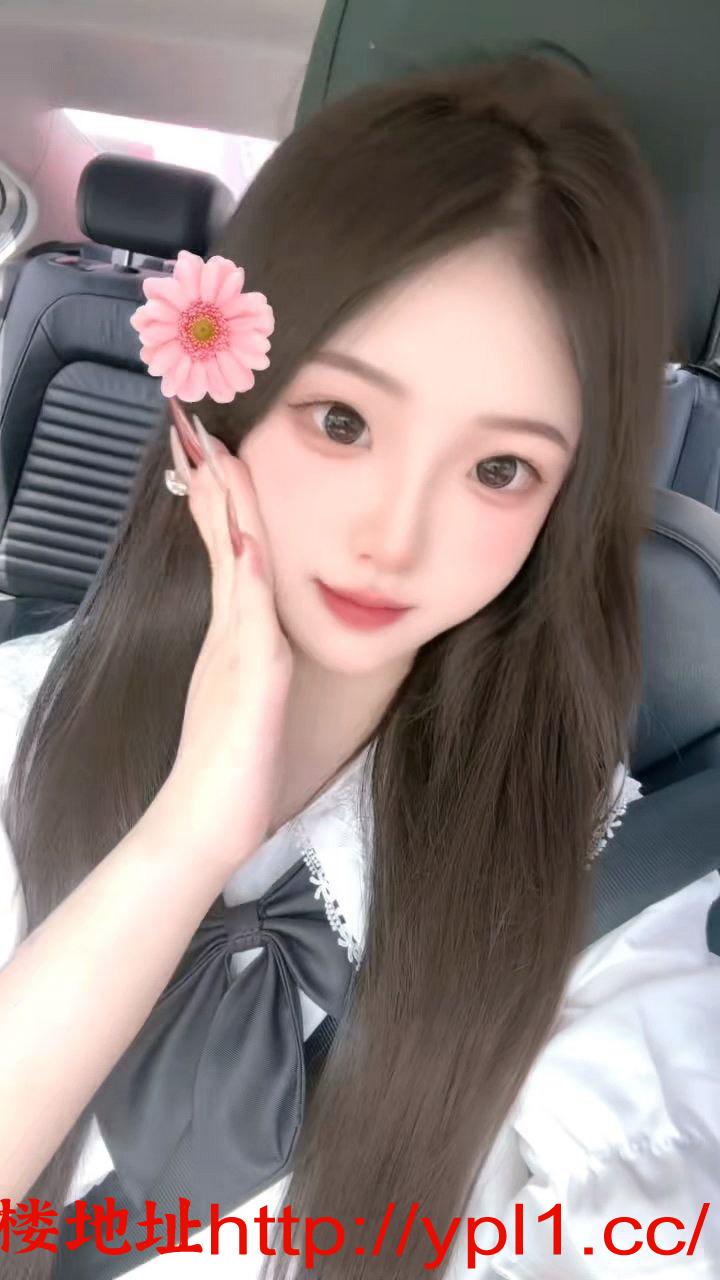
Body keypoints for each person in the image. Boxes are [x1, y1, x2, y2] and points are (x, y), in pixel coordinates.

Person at [0, 49, 718, 1280]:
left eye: (500, 469)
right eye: (343, 421)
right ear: (222, 406)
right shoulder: (19, 718)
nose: (397, 534)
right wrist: (184, 838)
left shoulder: (594, 878)